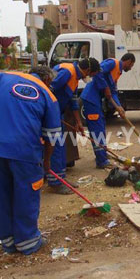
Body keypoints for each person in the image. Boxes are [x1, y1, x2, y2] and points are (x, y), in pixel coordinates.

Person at [0, 66, 61, 255]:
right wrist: (47, 161)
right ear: (48, 80)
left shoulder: (4, 77)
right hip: (24, 150)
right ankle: (28, 242)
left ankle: (8, 242)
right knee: (26, 193)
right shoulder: (48, 95)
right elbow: (52, 137)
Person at [47, 57, 100, 193]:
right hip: (51, 112)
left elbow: (73, 101)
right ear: (87, 70)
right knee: (56, 145)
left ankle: (60, 178)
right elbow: (47, 90)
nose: (89, 77)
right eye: (91, 74)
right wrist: (51, 113)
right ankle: (56, 183)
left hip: (57, 112)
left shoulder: (74, 77)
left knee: (60, 144)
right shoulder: (67, 72)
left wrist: (78, 122)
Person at [80, 53, 135, 168]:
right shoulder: (112, 63)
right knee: (97, 129)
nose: (131, 68)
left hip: (96, 101)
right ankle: (101, 161)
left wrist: (119, 107)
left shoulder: (117, 73)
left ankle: (102, 154)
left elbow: (113, 92)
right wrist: (105, 87)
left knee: (101, 127)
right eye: (131, 65)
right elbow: (98, 71)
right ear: (128, 61)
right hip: (91, 99)